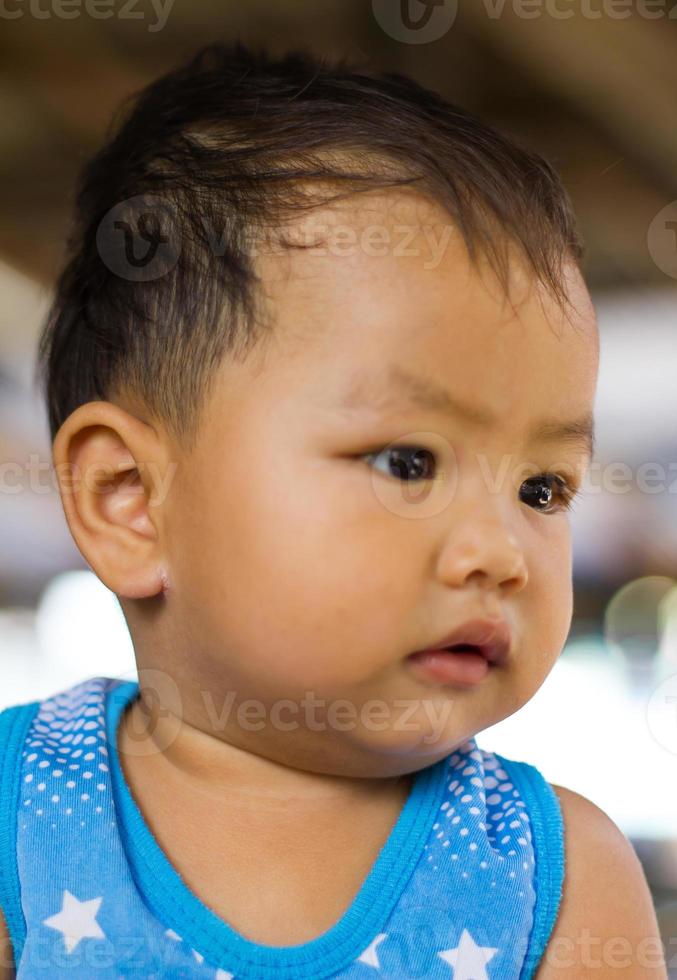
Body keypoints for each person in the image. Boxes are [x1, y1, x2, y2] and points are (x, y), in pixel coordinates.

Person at [0, 42, 666, 979]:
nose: (501, 551)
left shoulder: (554, 879)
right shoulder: (22, 824)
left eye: (540, 489)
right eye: (407, 461)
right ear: (132, 501)